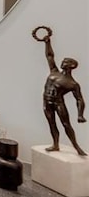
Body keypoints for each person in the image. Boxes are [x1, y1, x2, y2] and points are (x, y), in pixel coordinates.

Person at [34, 27, 87, 155]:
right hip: (46, 101)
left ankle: (76, 147)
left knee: (66, 125)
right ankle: (55, 144)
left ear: (72, 66)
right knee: (51, 124)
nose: (63, 62)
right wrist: (47, 43)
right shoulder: (54, 71)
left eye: (66, 61)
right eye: (63, 61)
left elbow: (79, 99)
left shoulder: (72, 84)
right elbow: (49, 56)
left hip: (58, 103)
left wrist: (80, 114)